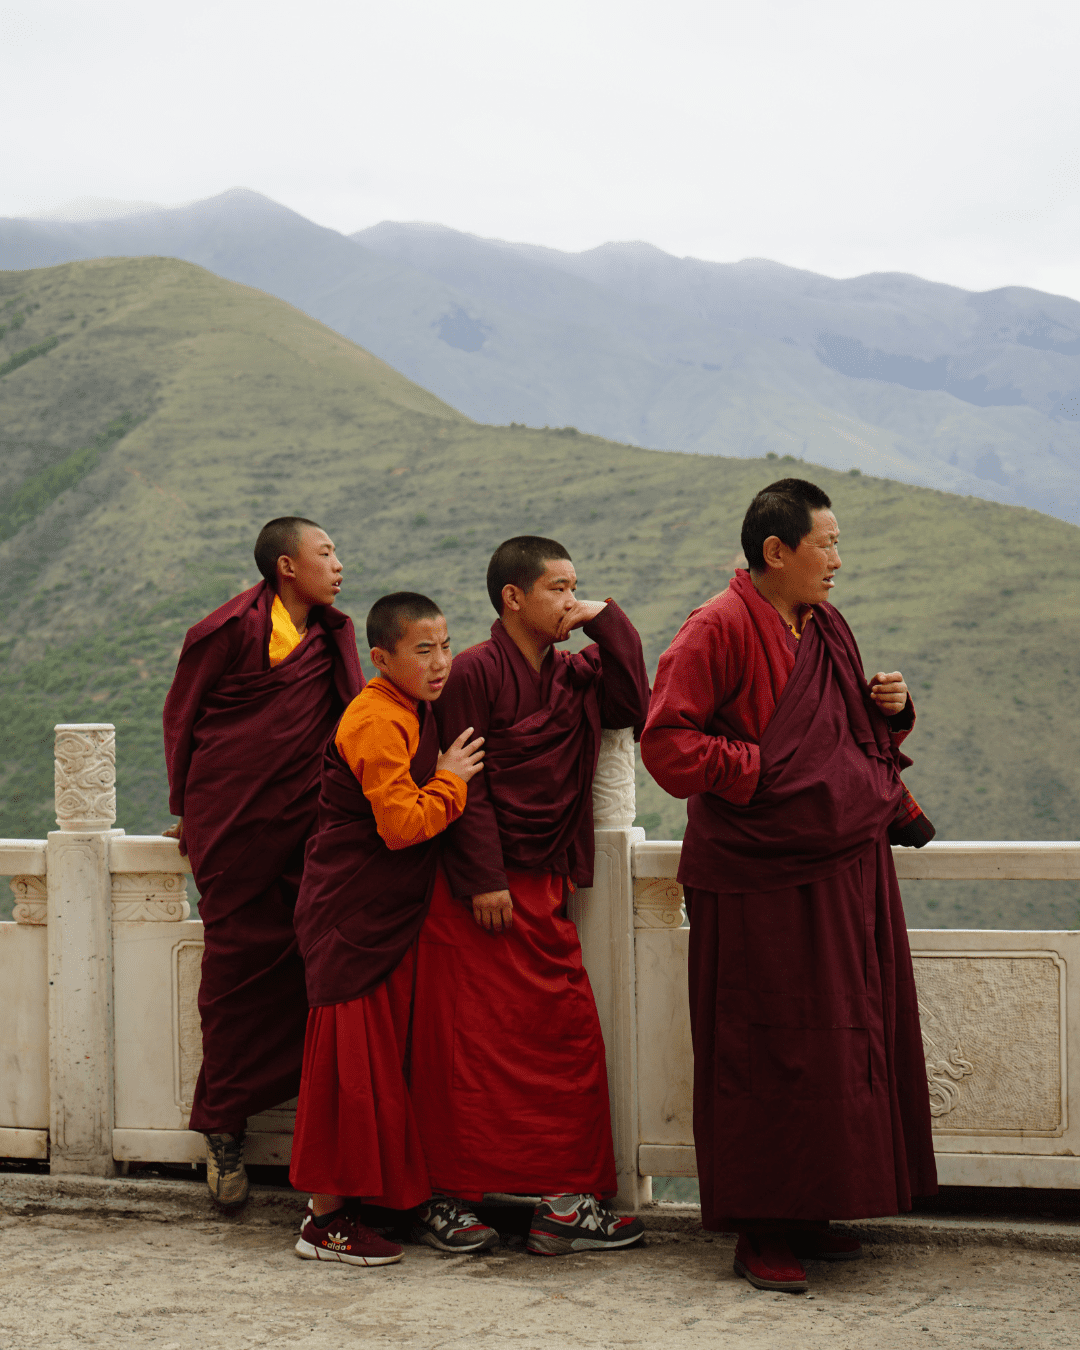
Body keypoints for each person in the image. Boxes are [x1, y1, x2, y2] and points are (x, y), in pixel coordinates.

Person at [640, 479, 938, 1294]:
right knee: (761, 1043)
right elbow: (667, 746)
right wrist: (759, 773)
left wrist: (894, 708)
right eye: (827, 544)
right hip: (756, 877)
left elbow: (844, 738)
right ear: (777, 551)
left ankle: (812, 1206)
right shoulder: (717, 627)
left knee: (834, 1037)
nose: (838, 561)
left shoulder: (823, 626)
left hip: (837, 870)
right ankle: (759, 1227)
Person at [408, 536, 651, 1257]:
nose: (570, 601)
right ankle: (446, 1199)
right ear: (513, 597)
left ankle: (565, 1204)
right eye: (558, 589)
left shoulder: (577, 675)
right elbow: (466, 781)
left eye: (577, 587)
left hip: (544, 887)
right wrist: (483, 876)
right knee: (464, 1048)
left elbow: (633, 702)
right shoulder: (474, 673)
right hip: (475, 893)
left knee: (564, 1039)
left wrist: (608, 619)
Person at [162, 517, 363, 1208]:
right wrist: (188, 808)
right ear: (286, 566)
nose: (338, 564)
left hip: (309, 824)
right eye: (326, 552)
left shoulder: (333, 634)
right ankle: (223, 1128)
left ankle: (327, 1141)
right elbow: (183, 719)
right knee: (232, 974)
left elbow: (349, 721)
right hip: (234, 820)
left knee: (318, 965)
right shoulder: (227, 632)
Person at [288, 592, 486, 1267]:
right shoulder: (377, 718)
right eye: (422, 650)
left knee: (376, 1067)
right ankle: (324, 1222)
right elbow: (402, 827)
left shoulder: (410, 709)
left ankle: (371, 1203)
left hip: (379, 914)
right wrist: (453, 783)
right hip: (351, 915)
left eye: (445, 646)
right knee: (347, 1067)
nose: (440, 664)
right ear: (382, 658)